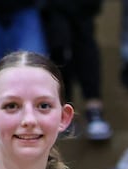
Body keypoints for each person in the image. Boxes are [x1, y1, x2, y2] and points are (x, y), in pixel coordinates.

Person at [40, 0, 112, 140]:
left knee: (85, 46)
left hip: (82, 8)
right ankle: (63, 108)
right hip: (52, 8)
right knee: (59, 48)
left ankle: (94, 110)